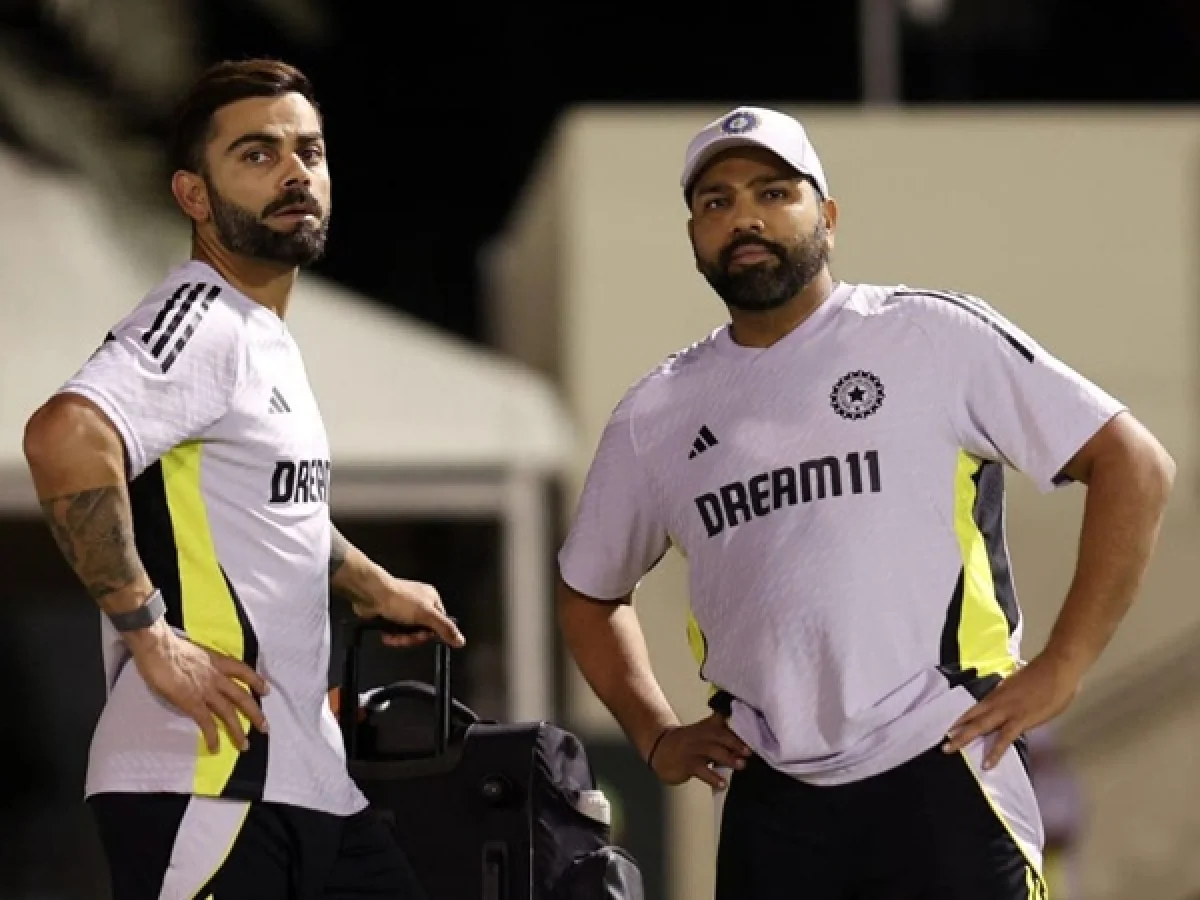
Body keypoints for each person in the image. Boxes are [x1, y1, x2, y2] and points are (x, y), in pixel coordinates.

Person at [555, 106, 1175, 899]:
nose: (745, 217)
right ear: (694, 237)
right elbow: (587, 594)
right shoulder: (656, 414)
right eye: (717, 201)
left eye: (774, 192)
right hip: (770, 795)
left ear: (828, 217)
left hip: (946, 761)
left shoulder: (928, 335)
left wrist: (1066, 664)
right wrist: (655, 734)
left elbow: (1134, 465)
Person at [21, 58, 464, 900]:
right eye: (257, 154)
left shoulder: (262, 336)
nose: (295, 172)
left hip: (307, 782)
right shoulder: (200, 319)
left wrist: (369, 582)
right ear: (194, 196)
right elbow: (65, 436)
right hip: (205, 775)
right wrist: (148, 634)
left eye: (310, 152)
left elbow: (264, 507)